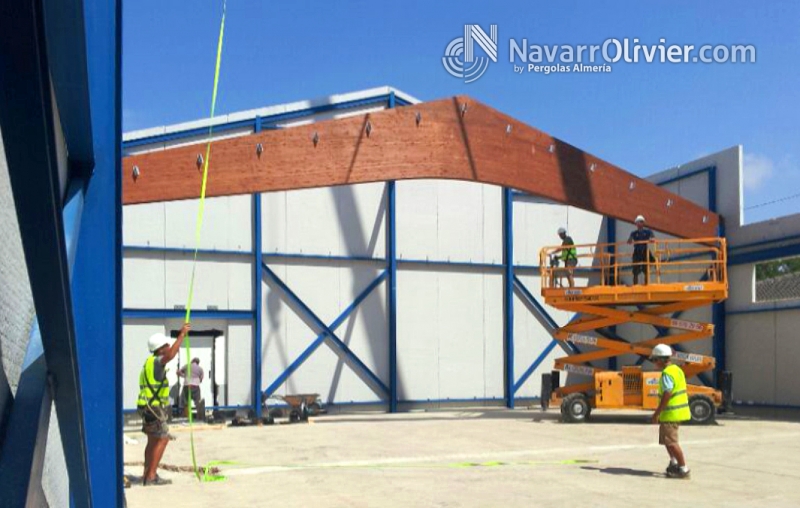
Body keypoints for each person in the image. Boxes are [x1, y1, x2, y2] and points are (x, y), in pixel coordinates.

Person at [137, 323, 190, 486]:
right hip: (154, 409)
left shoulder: (149, 362)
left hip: (146, 407)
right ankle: (151, 476)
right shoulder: (157, 361)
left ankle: (147, 474)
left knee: (152, 440)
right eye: (166, 345)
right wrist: (181, 335)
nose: (169, 347)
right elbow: (171, 355)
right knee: (163, 439)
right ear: (160, 349)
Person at [650, 343, 691, 479]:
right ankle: (674, 463)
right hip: (673, 413)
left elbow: (667, 393)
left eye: (655, 359)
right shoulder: (676, 370)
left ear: (662, 359)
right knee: (667, 441)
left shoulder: (667, 373)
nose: (654, 363)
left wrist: (657, 413)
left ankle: (683, 469)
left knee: (672, 443)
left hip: (671, 413)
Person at [627, 215, 656, 285]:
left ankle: (646, 285)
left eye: (641, 222)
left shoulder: (648, 232)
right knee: (635, 271)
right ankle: (635, 286)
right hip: (637, 253)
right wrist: (630, 240)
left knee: (646, 270)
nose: (639, 223)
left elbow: (653, 238)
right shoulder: (633, 233)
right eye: (638, 222)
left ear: (643, 223)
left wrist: (651, 239)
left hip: (644, 252)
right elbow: (629, 241)